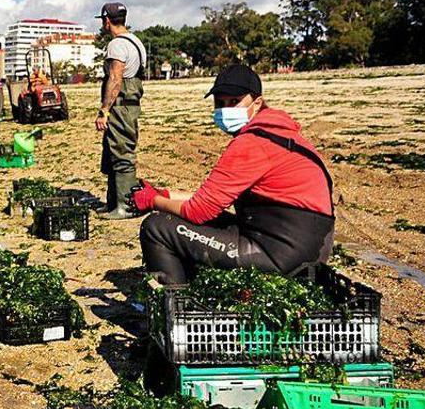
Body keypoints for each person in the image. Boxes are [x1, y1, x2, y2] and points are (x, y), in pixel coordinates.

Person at [132, 65, 334, 284]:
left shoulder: (251, 144)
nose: (225, 109)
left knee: (158, 227)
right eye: (220, 103)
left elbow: (198, 211)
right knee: (198, 219)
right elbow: (210, 199)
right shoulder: (279, 134)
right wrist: (166, 194)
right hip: (305, 248)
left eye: (234, 101)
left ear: (257, 103)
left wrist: (153, 201)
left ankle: (178, 305)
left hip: (281, 254)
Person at [94, 2, 147, 220]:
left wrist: (105, 110)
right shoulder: (136, 42)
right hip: (129, 103)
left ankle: (125, 207)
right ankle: (113, 203)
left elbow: (116, 78)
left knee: (122, 152)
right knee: (113, 150)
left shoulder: (116, 45)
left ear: (107, 21)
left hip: (120, 105)